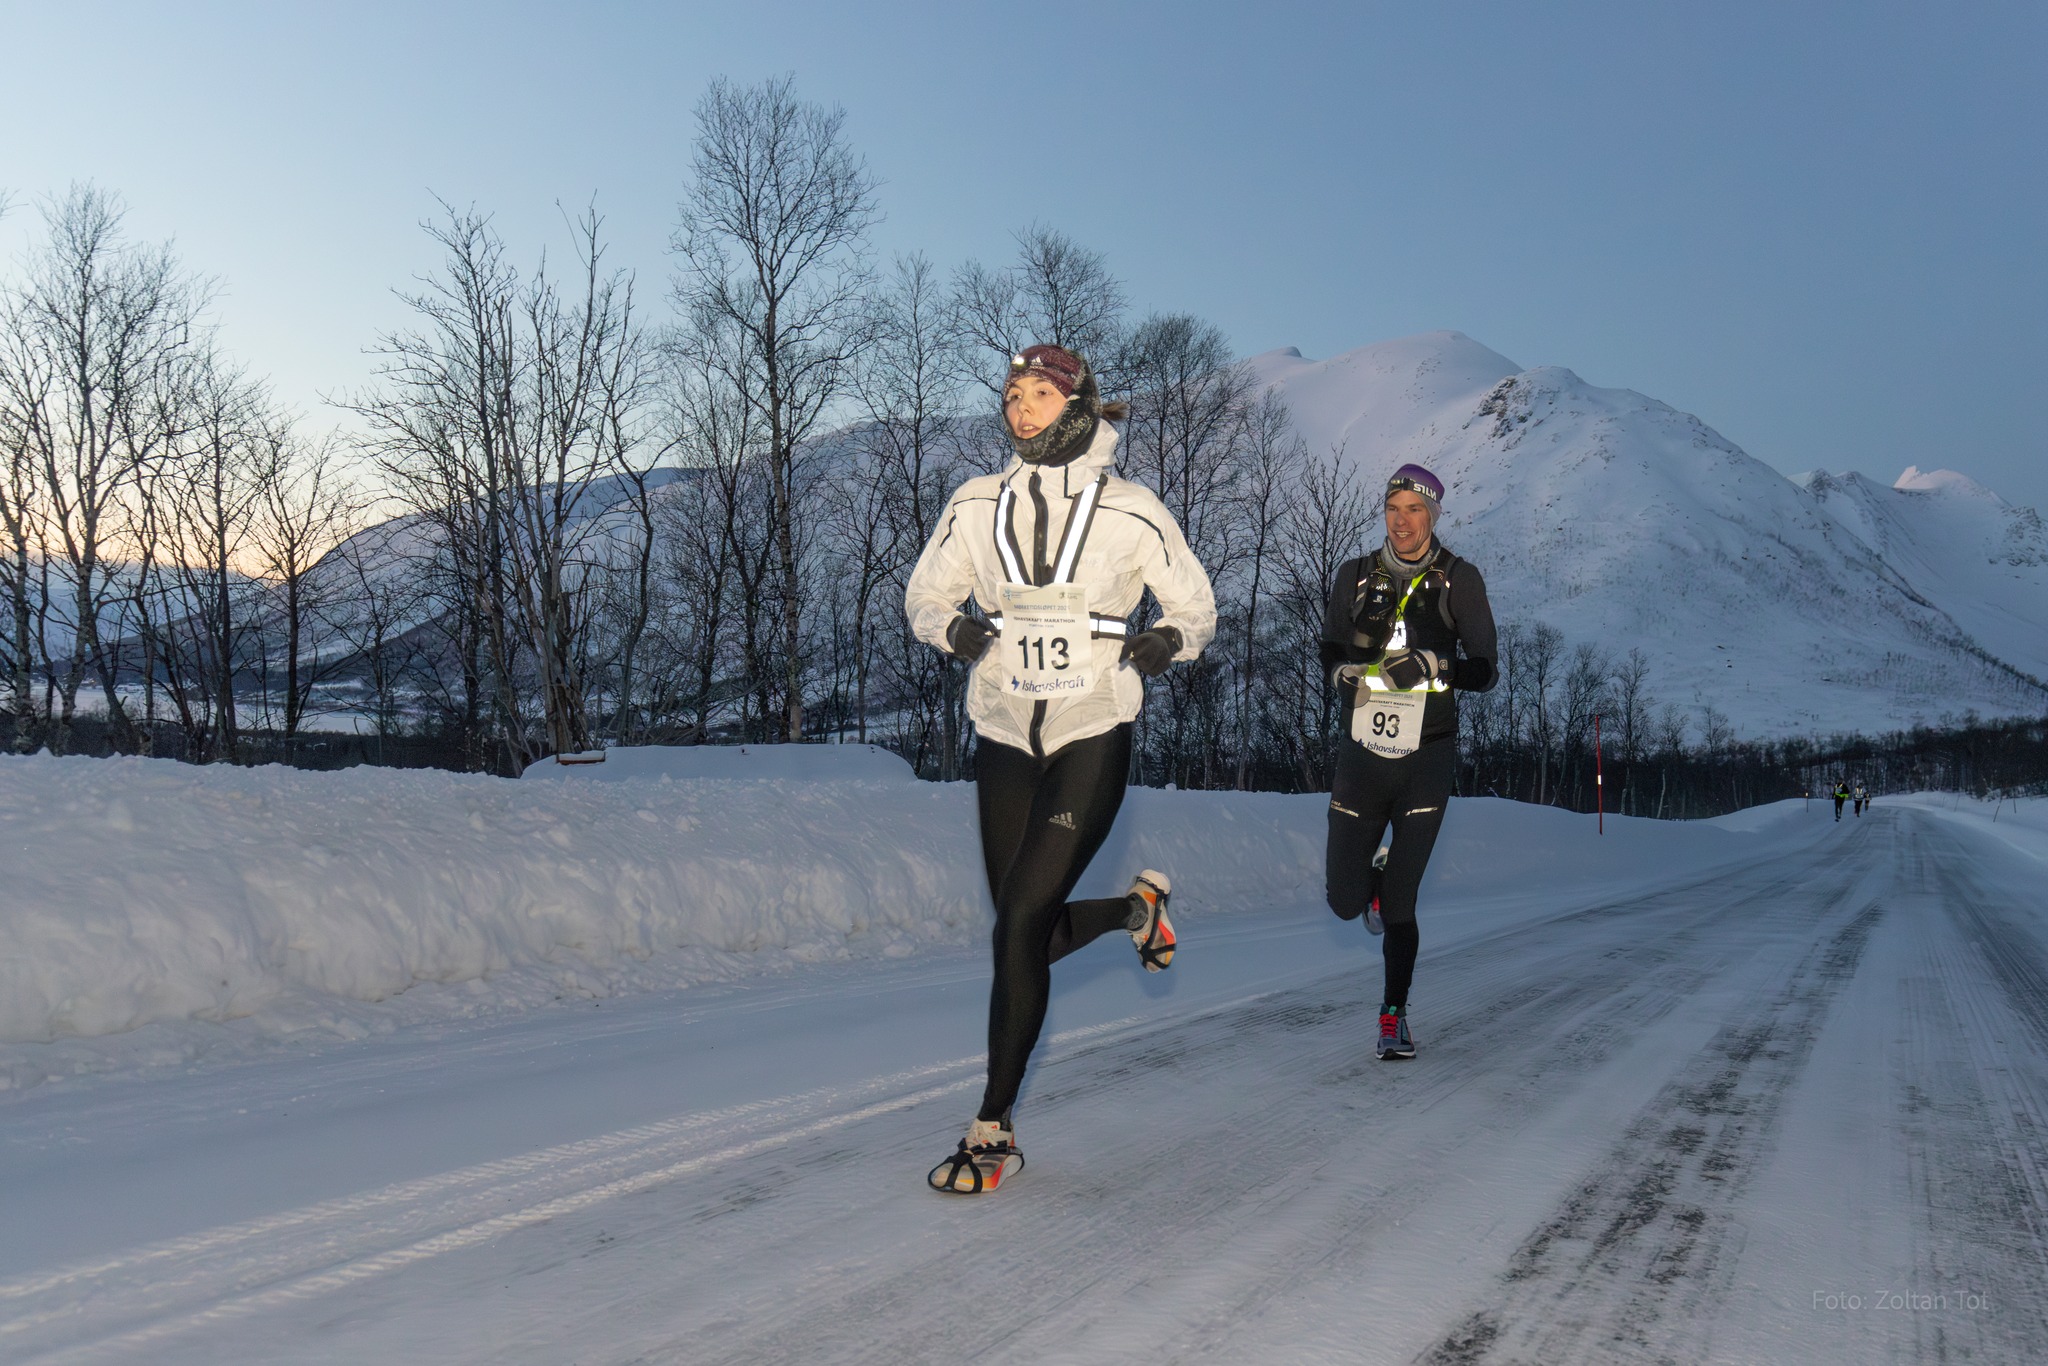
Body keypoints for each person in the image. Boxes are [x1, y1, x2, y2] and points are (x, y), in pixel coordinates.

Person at [906, 344, 1216, 1193]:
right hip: (1005, 730)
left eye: (1040, 393)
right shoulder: (975, 503)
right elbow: (926, 596)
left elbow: (1196, 607)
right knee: (1023, 927)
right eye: (1011, 394)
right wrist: (958, 631)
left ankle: (991, 1127)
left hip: (1090, 727)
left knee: (1016, 930)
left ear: (1078, 405)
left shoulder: (1132, 510)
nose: (1022, 406)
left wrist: (1161, 643)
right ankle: (1131, 911)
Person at [1321, 464, 1497, 1061]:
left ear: (1434, 516)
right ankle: (1367, 888)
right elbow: (1328, 646)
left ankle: (1393, 1017)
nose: (1403, 521)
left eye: (1415, 510)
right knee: (1344, 902)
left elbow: (1486, 669)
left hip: (1427, 756)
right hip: (1362, 756)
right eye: (1394, 508)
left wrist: (1434, 665)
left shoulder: (1458, 580)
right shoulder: (1354, 574)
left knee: (1401, 904)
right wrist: (1339, 672)